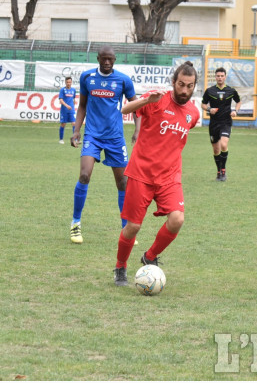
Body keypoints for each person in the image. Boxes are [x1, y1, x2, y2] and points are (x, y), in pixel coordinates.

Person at [112, 61, 200, 286]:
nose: (184, 90)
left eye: (189, 86)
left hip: (170, 177)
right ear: (173, 82)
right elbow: (124, 110)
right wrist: (146, 100)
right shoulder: (156, 98)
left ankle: (149, 257)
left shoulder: (193, 114)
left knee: (177, 219)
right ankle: (120, 267)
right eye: (181, 84)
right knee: (133, 226)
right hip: (141, 173)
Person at [68, 45, 139, 244]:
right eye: (103, 59)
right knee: (84, 174)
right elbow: (82, 105)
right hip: (92, 135)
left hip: (115, 138)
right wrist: (76, 130)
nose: (107, 62)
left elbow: (136, 107)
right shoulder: (87, 78)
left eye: (110, 59)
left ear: (115, 60)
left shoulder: (123, 80)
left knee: (123, 183)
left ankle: (126, 228)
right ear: (98, 58)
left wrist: (137, 130)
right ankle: (75, 224)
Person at [201, 67, 241, 181]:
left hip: (226, 122)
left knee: (224, 145)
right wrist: (209, 109)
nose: (220, 78)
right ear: (215, 77)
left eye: (222, 76)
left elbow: (238, 101)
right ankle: (219, 171)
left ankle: (223, 170)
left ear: (225, 76)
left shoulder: (231, 90)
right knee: (216, 150)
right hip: (214, 123)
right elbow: (203, 104)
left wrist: (235, 111)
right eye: (218, 76)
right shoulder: (210, 91)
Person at [58, 76, 76, 144]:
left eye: (70, 82)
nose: (69, 83)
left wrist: (73, 106)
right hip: (64, 110)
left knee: (74, 123)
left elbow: (73, 99)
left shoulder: (73, 90)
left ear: (71, 82)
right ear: (65, 82)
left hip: (71, 110)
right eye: (67, 82)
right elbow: (61, 100)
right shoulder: (62, 90)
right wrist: (66, 106)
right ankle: (61, 139)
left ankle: (74, 139)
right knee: (63, 124)